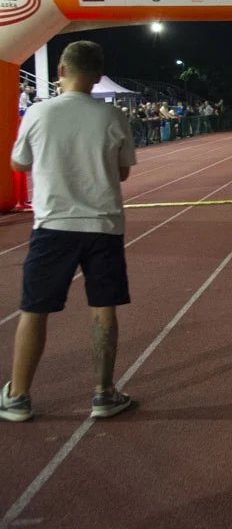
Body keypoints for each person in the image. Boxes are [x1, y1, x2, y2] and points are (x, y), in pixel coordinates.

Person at [1, 41, 136, 422]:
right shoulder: (113, 116)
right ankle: (104, 393)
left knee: (34, 308)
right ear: (97, 76)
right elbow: (122, 171)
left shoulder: (38, 112)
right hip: (103, 225)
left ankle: (18, 396)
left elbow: (19, 162)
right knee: (103, 306)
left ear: (61, 71)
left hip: (53, 225)